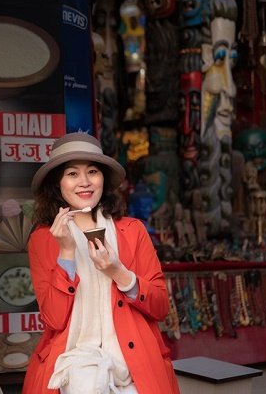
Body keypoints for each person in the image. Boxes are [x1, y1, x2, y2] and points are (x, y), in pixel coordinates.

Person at [23, 132, 179, 393]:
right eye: (72, 174)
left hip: (133, 365)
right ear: (58, 183)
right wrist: (66, 253)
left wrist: (118, 272)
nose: (84, 182)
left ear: (103, 179)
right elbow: (54, 320)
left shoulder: (133, 230)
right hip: (72, 365)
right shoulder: (43, 239)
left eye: (92, 171)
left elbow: (161, 306)